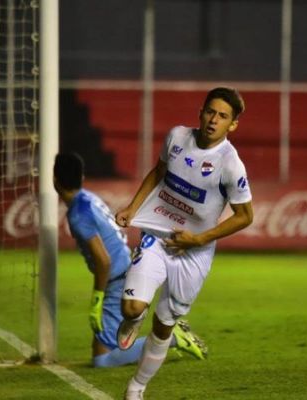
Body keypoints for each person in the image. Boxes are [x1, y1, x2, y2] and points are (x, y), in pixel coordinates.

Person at [114, 87, 254, 399]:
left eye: (222, 116)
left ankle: (136, 388)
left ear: (232, 125)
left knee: (163, 326)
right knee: (132, 306)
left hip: (194, 253)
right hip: (158, 234)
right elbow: (158, 172)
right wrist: (132, 208)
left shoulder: (231, 165)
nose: (213, 120)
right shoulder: (177, 137)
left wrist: (199, 239)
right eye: (210, 112)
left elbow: (245, 216)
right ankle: (134, 318)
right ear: (200, 113)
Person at [53, 152, 208, 368]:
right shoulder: (89, 199)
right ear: (81, 178)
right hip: (123, 269)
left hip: (116, 278)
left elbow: (103, 261)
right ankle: (169, 336)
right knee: (102, 349)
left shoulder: (78, 215)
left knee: (102, 360)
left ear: (55, 181)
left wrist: (97, 300)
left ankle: (172, 337)